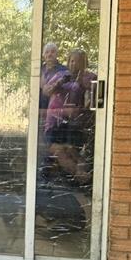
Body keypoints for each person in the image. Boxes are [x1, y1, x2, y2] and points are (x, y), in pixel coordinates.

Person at [42, 48, 96, 185]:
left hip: (75, 124)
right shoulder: (61, 75)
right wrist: (59, 83)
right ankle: (83, 178)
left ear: (84, 64)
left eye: (78, 62)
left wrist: (82, 83)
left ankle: (85, 180)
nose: (74, 65)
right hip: (55, 122)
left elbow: (96, 94)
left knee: (73, 151)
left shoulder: (89, 77)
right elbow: (46, 91)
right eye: (71, 61)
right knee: (58, 151)